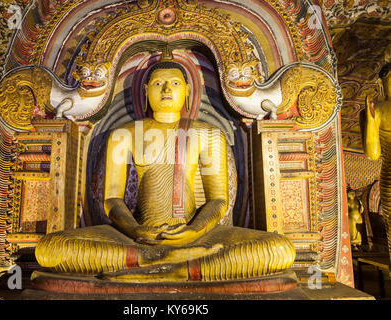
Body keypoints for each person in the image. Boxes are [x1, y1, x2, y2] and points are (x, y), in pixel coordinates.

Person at [35, 58, 295, 282]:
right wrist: (135, 230)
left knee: (279, 249)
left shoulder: (208, 134)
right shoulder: (124, 134)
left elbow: (218, 200)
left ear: (188, 90)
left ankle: (157, 266)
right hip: (138, 237)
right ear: (147, 90)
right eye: (159, 84)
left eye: (175, 83)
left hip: (196, 235)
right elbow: (112, 200)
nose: (167, 89)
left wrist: (195, 230)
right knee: (49, 249)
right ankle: (185, 266)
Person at [363, 62, 391, 270]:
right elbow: (373, 154)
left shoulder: (380, 110)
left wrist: (371, 120)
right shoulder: (381, 109)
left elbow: (373, 155)